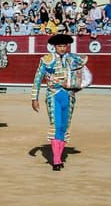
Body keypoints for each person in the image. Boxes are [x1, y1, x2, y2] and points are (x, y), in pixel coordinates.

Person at [31, 33, 89, 171]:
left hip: (69, 96)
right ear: (54, 46)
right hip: (54, 95)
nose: (62, 48)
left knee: (64, 126)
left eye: (64, 46)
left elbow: (84, 74)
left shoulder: (72, 59)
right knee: (56, 125)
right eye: (59, 46)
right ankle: (56, 160)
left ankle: (59, 156)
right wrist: (34, 98)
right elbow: (37, 79)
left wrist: (78, 86)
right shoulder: (47, 59)